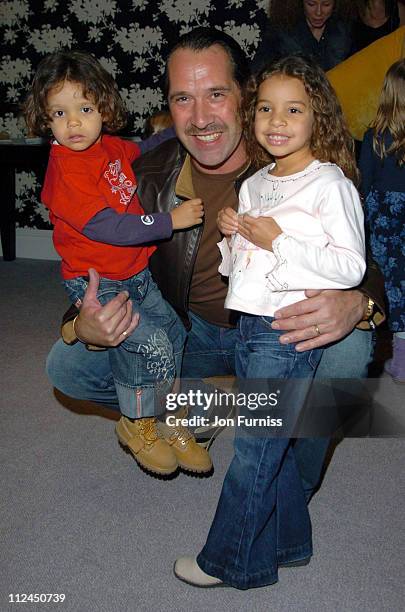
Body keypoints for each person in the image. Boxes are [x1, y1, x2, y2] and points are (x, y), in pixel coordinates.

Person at [45, 26, 384, 573]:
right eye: (183, 97)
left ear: (245, 96)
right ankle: (216, 403)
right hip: (191, 334)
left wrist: (358, 304)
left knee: (344, 351)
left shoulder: (298, 159)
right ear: (169, 106)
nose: (200, 116)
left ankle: (278, 487)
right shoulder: (143, 175)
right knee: (69, 365)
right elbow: (95, 257)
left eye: (215, 94)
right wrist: (78, 325)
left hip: (276, 326)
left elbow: (358, 257)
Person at [174, 54, 366, 589]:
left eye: (294, 110)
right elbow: (242, 270)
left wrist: (276, 239)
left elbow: (350, 266)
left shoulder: (330, 184)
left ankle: (228, 561)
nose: (277, 122)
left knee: (254, 448)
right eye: (265, 109)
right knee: (270, 444)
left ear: (317, 119)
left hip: (287, 331)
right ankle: (289, 543)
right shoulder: (256, 183)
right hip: (249, 327)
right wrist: (235, 240)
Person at [25, 49, 211, 476]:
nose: (73, 123)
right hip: (99, 281)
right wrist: (169, 221)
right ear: (45, 118)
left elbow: (143, 150)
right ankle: (137, 423)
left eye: (84, 108)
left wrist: (177, 130)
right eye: (59, 112)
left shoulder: (109, 148)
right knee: (147, 342)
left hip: (136, 273)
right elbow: (109, 226)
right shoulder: (66, 171)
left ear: (104, 109)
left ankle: (168, 418)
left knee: (172, 333)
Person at [359, 58, 405, 383]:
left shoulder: (374, 136)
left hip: (384, 223)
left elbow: (364, 184)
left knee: (382, 285)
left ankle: (387, 354)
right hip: (395, 220)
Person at [252, 0, 353, 74]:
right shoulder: (282, 29)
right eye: (311, 4)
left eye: (326, 4)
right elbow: (258, 71)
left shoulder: (345, 28)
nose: (318, 12)